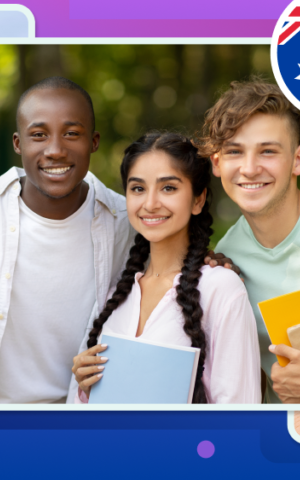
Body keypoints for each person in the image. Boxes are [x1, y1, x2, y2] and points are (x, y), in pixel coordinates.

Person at [0, 77, 236, 404]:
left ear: (94, 141)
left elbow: (170, 250)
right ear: (18, 143)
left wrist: (209, 260)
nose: (56, 150)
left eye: (72, 133)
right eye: (38, 134)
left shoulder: (126, 220)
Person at [71, 132, 260, 404]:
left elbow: (239, 412)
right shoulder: (116, 296)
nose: (150, 204)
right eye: (138, 188)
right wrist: (87, 387)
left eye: (168, 188)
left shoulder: (221, 288)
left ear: (198, 200)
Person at [196, 80, 300, 404]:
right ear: (217, 163)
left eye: (268, 151)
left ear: (298, 160)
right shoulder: (224, 265)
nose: (249, 168)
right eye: (235, 151)